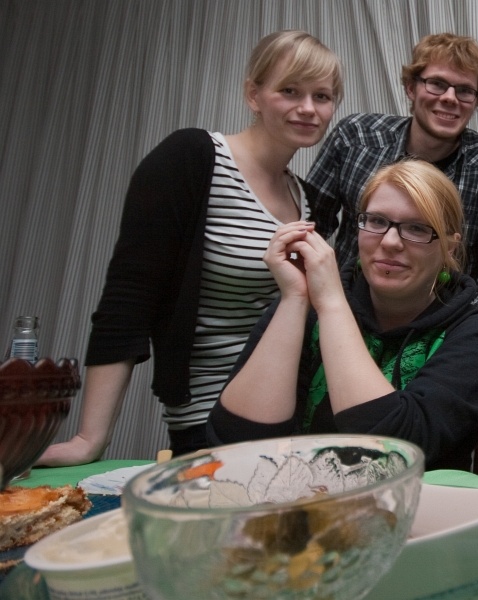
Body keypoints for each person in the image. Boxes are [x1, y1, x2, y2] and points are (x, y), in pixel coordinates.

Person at [38, 30, 343, 465]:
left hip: (293, 425)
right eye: (290, 91)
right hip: (210, 421)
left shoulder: (309, 201)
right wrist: (91, 438)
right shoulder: (193, 159)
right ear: (253, 94)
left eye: (322, 96)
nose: (308, 108)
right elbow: (128, 300)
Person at [207, 160, 478, 471]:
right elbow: (235, 444)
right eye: (376, 221)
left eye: (417, 228)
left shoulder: (476, 336)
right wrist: (295, 298)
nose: (390, 242)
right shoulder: (307, 307)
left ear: (449, 246)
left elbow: (392, 454)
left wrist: (332, 303)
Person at [304, 32, 478, 330]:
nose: (450, 98)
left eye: (464, 90)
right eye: (437, 84)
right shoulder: (354, 137)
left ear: (476, 101)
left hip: (438, 331)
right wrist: (321, 306)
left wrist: (449, 335)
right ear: (411, 87)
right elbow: (311, 226)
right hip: (342, 315)